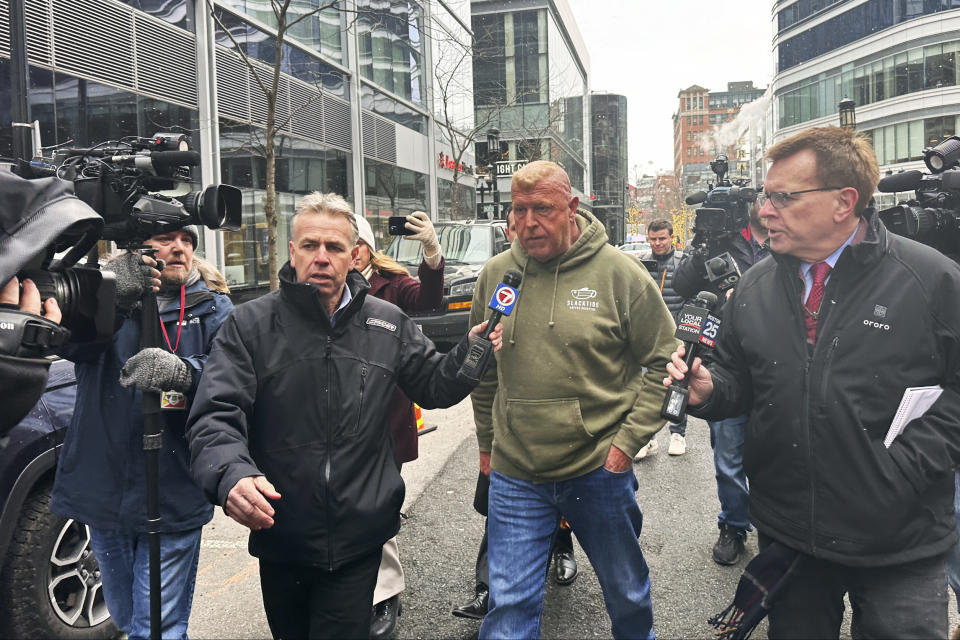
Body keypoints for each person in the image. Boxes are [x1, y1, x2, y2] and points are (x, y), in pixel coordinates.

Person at [665, 126, 960, 638]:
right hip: (791, 534)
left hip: (901, 542)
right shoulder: (754, 286)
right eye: (764, 196)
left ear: (845, 202)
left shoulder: (931, 279)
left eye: (783, 197)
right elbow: (738, 375)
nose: (764, 211)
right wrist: (710, 391)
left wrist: (906, 467)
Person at [185, 192, 502, 640]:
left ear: (354, 256)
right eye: (309, 245)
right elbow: (215, 414)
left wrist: (473, 354)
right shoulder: (249, 325)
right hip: (281, 533)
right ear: (291, 251)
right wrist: (230, 474)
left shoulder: (388, 323)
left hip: (359, 538)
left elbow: (434, 386)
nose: (321, 257)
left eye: (333, 248)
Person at [470, 161, 677, 640]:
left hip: (598, 468)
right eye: (518, 210)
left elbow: (666, 364)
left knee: (625, 592)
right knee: (508, 605)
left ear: (571, 208)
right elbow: (479, 369)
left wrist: (625, 445)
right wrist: (486, 446)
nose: (527, 223)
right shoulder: (497, 275)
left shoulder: (620, 275)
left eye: (542, 209)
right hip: (517, 473)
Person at [50, 226, 233, 639]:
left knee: (158, 629)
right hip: (104, 488)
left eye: (187, 241)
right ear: (137, 248)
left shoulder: (213, 308)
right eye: (168, 238)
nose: (180, 248)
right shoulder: (104, 300)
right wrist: (111, 298)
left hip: (174, 488)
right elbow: (70, 346)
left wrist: (186, 372)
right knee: (128, 620)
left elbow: (237, 378)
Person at [354, 211, 445, 639]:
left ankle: (384, 594)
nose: (345, 253)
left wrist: (431, 251)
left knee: (380, 503)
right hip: (339, 419)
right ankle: (361, 590)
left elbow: (427, 299)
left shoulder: (390, 284)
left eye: (352, 243)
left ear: (366, 248)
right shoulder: (317, 289)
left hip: (386, 416)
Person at [672, 201, 768, 565]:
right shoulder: (718, 242)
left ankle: (775, 525)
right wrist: (701, 248)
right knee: (727, 458)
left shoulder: (785, 238)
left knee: (775, 455)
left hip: (773, 364)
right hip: (724, 362)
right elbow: (682, 286)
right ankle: (733, 526)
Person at [635, 218, 688, 458]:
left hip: (677, 336)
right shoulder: (641, 263)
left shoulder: (683, 263)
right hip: (647, 335)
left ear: (671, 237)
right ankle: (648, 438)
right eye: (653, 239)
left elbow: (691, 297)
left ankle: (678, 434)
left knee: (677, 386)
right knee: (645, 389)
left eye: (662, 238)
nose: (657, 243)